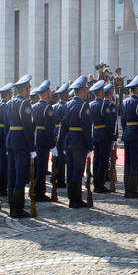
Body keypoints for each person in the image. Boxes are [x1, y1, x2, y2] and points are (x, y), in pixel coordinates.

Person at [59, 76, 92, 207]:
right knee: (78, 171)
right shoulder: (84, 106)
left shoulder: (68, 104)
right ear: (83, 90)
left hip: (69, 141)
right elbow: (86, 128)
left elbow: (63, 125)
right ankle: (76, 200)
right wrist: (90, 145)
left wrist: (62, 142)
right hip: (79, 142)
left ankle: (71, 196)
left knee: (70, 170)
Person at [6, 74, 35, 218]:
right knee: (20, 175)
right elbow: (28, 127)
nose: (30, 89)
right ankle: (18, 207)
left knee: (12, 174)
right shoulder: (24, 104)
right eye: (29, 87)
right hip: (21, 142)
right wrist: (32, 147)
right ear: (24, 88)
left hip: (11, 139)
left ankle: (12, 205)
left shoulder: (10, 102)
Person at [121, 75, 138, 198]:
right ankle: (132, 190)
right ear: (136, 89)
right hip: (136, 135)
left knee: (127, 163)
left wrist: (126, 131)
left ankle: (127, 188)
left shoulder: (125, 102)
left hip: (127, 134)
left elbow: (123, 121)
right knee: (135, 163)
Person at [31, 80, 54, 202]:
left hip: (35, 138)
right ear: (45, 94)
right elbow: (49, 127)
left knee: (36, 166)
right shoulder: (47, 107)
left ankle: (35, 190)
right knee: (42, 167)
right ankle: (40, 192)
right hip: (44, 139)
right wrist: (52, 143)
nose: (50, 95)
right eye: (49, 93)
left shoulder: (33, 106)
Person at [88, 80, 109, 192]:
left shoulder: (90, 104)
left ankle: (96, 182)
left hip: (94, 133)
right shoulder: (103, 105)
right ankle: (100, 184)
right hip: (103, 134)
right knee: (102, 160)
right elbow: (108, 122)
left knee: (96, 160)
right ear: (101, 92)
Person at [0, 83, 14, 197]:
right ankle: (2, 187)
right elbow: (8, 122)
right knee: (4, 163)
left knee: (0, 161)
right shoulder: (6, 106)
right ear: (8, 94)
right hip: (4, 133)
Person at [51, 82, 69, 190]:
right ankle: (60, 180)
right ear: (64, 95)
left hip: (55, 131)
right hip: (63, 133)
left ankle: (55, 176)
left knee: (56, 157)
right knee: (62, 158)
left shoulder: (54, 107)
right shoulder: (66, 106)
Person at [103, 82, 119, 191]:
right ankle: (106, 176)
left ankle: (103, 177)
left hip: (99, 134)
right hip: (108, 135)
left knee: (100, 158)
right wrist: (114, 136)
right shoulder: (110, 106)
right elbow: (113, 122)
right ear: (110, 93)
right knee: (107, 158)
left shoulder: (98, 104)